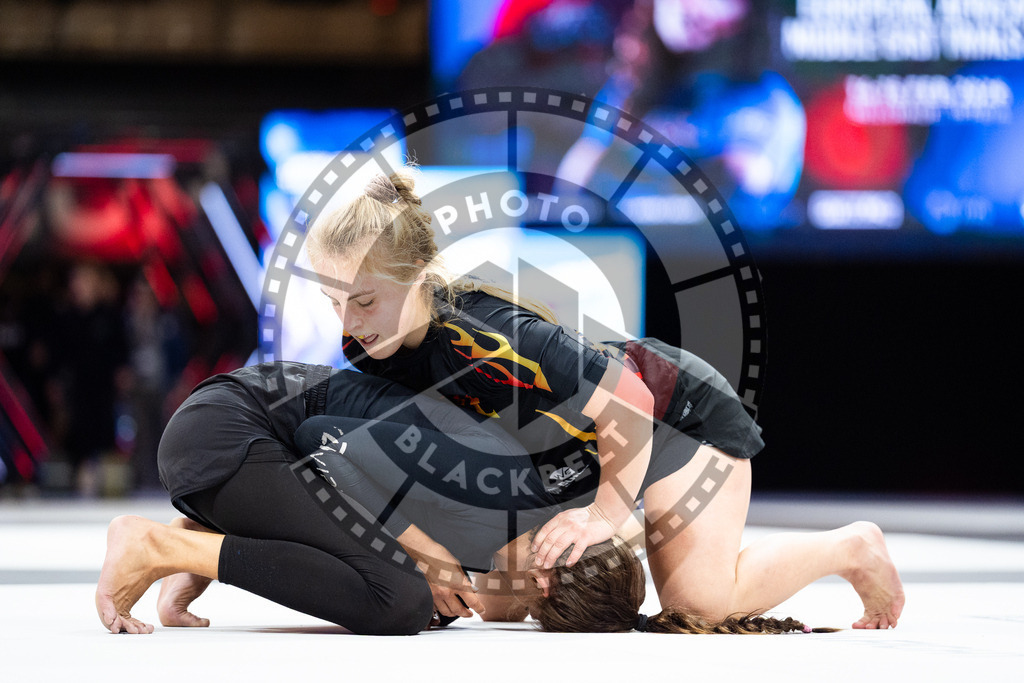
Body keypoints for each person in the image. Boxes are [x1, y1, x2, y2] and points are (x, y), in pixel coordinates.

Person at [303, 169, 904, 629]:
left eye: (363, 301)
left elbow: (630, 402)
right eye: (334, 303)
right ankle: (644, 526)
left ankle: (850, 547)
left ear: (419, 279)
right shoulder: (372, 348)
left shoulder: (489, 334)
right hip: (576, 452)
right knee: (505, 602)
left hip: (673, 417)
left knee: (699, 604)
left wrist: (602, 517)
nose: (349, 322)